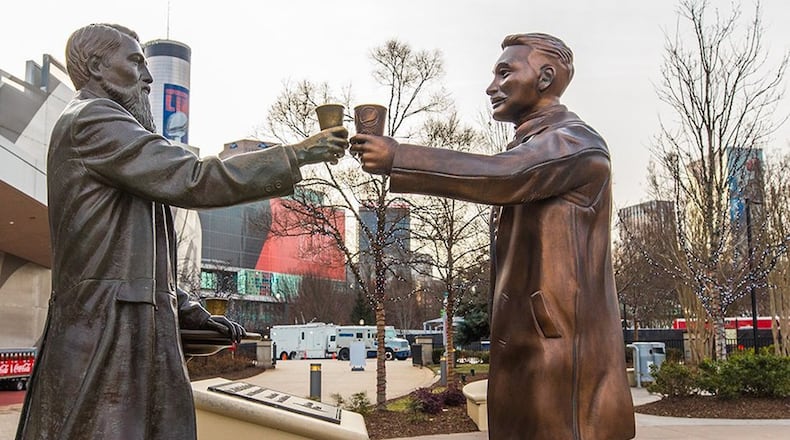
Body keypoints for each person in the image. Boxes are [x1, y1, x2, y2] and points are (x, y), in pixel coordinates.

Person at [16, 23, 347, 440]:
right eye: (135, 62)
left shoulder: (111, 134)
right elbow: (193, 177)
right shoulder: (93, 118)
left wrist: (186, 309)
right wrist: (297, 154)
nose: (148, 77)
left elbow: (137, 259)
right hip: (106, 333)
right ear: (97, 66)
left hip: (122, 330)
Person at [351, 33, 635, 440]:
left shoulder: (575, 142)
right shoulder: (536, 144)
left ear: (545, 78)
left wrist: (399, 157)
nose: (491, 86)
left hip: (559, 344)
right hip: (530, 340)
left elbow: (505, 175)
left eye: (505, 73)